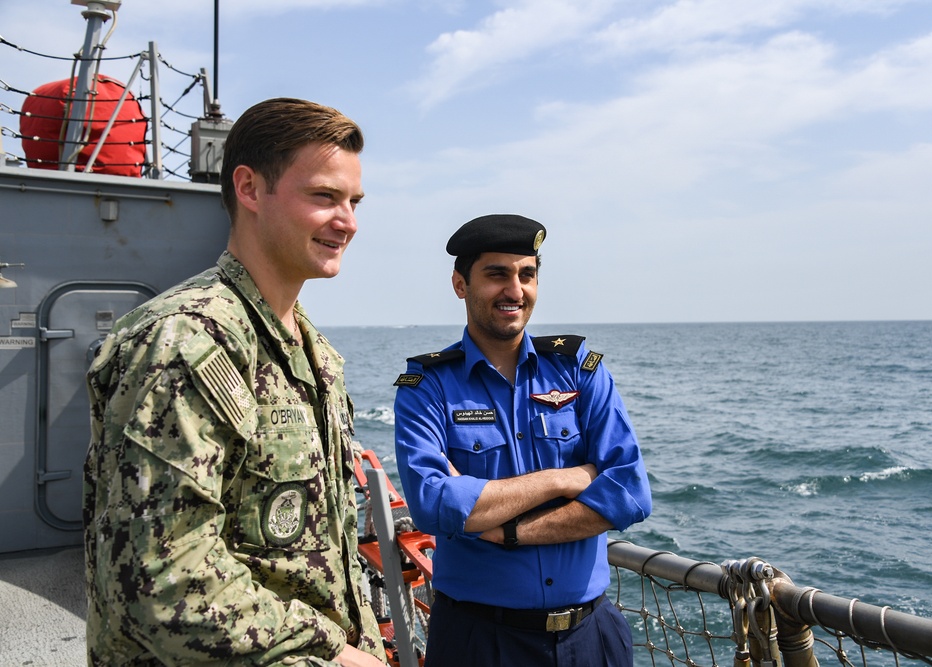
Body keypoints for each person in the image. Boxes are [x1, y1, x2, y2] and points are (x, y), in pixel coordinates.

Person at [83, 98, 387, 666]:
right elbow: (162, 580)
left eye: (353, 201)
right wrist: (334, 651)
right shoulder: (186, 341)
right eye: (324, 196)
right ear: (249, 189)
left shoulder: (313, 352)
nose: (347, 221)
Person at [392, 214, 653, 666]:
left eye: (526, 274)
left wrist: (504, 530)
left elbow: (629, 493)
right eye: (497, 274)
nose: (515, 290)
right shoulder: (428, 386)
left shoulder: (579, 371)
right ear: (460, 284)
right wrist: (563, 479)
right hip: (477, 640)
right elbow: (434, 504)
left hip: (590, 640)